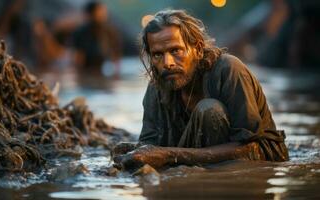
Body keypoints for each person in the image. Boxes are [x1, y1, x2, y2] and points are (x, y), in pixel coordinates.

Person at [113, 10, 289, 170]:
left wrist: (168, 155)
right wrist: (135, 152)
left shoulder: (229, 70)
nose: (167, 63)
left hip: (261, 160)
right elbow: (150, 143)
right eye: (158, 55)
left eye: (176, 51)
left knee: (209, 110)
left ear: (197, 49)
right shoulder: (157, 86)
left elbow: (249, 147)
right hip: (193, 158)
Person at [72, 1, 122, 77]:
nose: (103, 14)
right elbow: (78, 57)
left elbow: (116, 56)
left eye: (103, 11)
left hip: (101, 69)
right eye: (99, 11)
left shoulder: (110, 31)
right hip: (85, 70)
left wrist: (116, 74)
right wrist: (79, 74)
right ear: (90, 14)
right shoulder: (81, 32)